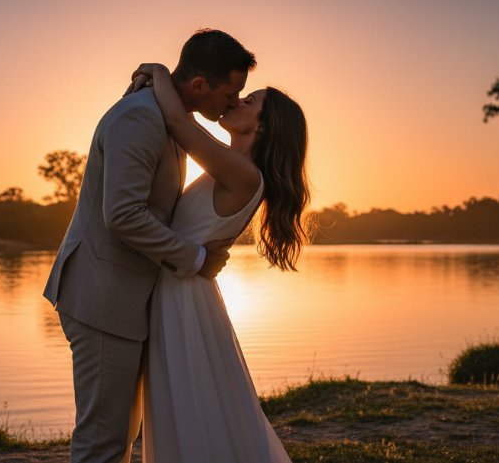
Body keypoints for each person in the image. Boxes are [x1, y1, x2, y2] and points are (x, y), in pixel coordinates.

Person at [42, 29, 257, 463]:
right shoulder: (141, 117)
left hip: (126, 298)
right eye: (231, 92)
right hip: (103, 296)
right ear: (199, 86)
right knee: (103, 440)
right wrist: (196, 258)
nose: (233, 102)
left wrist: (156, 71)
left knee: (120, 434)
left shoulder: (169, 115)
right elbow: (122, 214)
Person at [127, 62, 310, 463]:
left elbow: (178, 122)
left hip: (184, 299)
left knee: (190, 406)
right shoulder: (233, 165)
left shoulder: (243, 173)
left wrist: (159, 71)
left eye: (249, 101)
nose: (236, 102)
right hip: (183, 290)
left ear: (260, 127)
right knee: (192, 405)